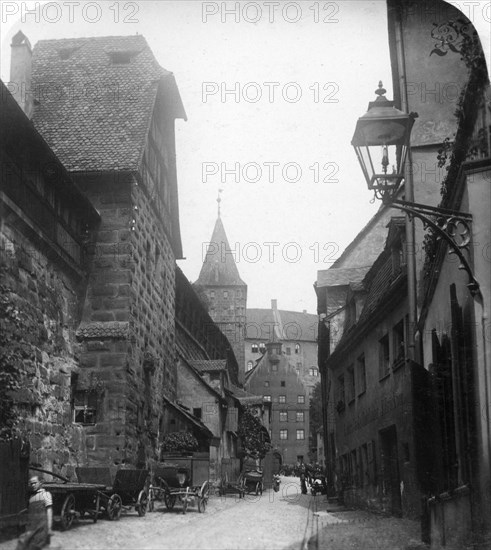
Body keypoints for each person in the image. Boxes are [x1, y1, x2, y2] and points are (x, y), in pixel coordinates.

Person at [17, 476, 53, 550]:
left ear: (40, 483)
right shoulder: (32, 497)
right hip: (31, 527)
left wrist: (49, 528)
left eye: (35, 483)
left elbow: (49, 511)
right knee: (23, 544)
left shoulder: (46, 494)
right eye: (31, 484)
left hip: (42, 527)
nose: (33, 485)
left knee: (37, 546)